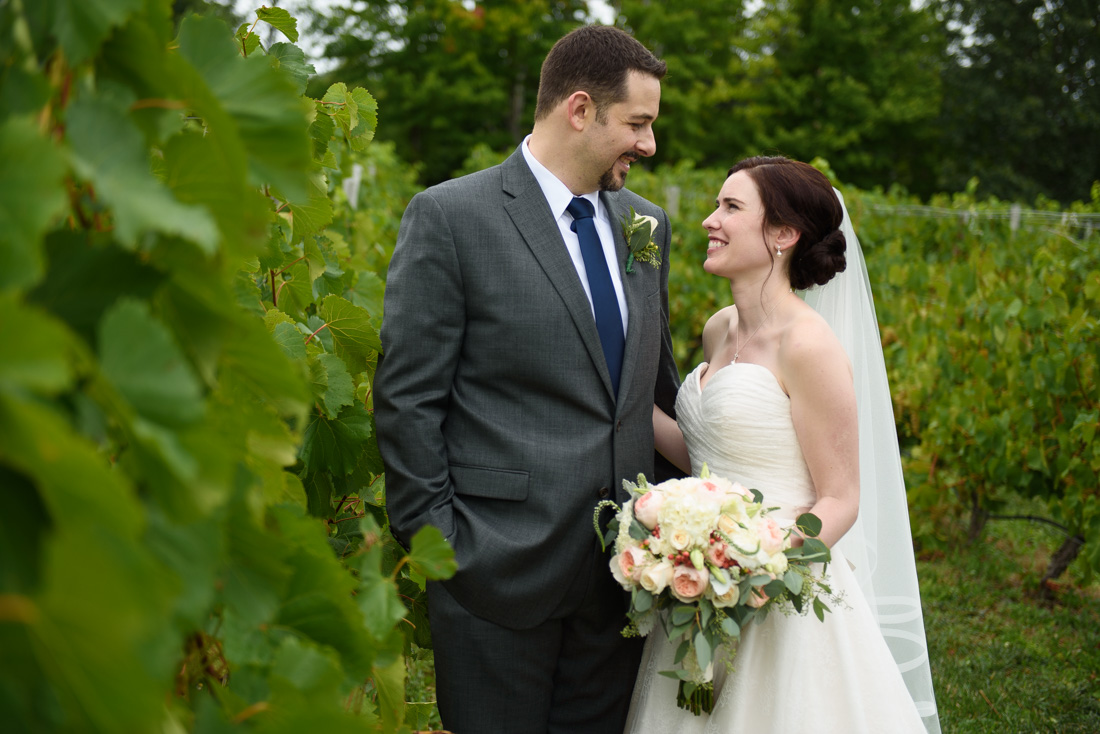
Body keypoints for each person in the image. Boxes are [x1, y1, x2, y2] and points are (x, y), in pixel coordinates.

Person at [374, 25, 681, 734]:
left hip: (623, 581)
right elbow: (407, 397)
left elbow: (652, 386)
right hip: (495, 574)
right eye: (638, 123)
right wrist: (444, 545)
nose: (649, 145)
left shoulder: (646, 225)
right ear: (580, 109)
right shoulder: (453, 216)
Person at [626, 156, 940, 733]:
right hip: (702, 582)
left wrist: (753, 575)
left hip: (778, 596)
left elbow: (840, 499)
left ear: (783, 235)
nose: (708, 220)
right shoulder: (721, 327)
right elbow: (702, 452)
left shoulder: (809, 346)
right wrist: (616, 393)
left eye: (731, 207)